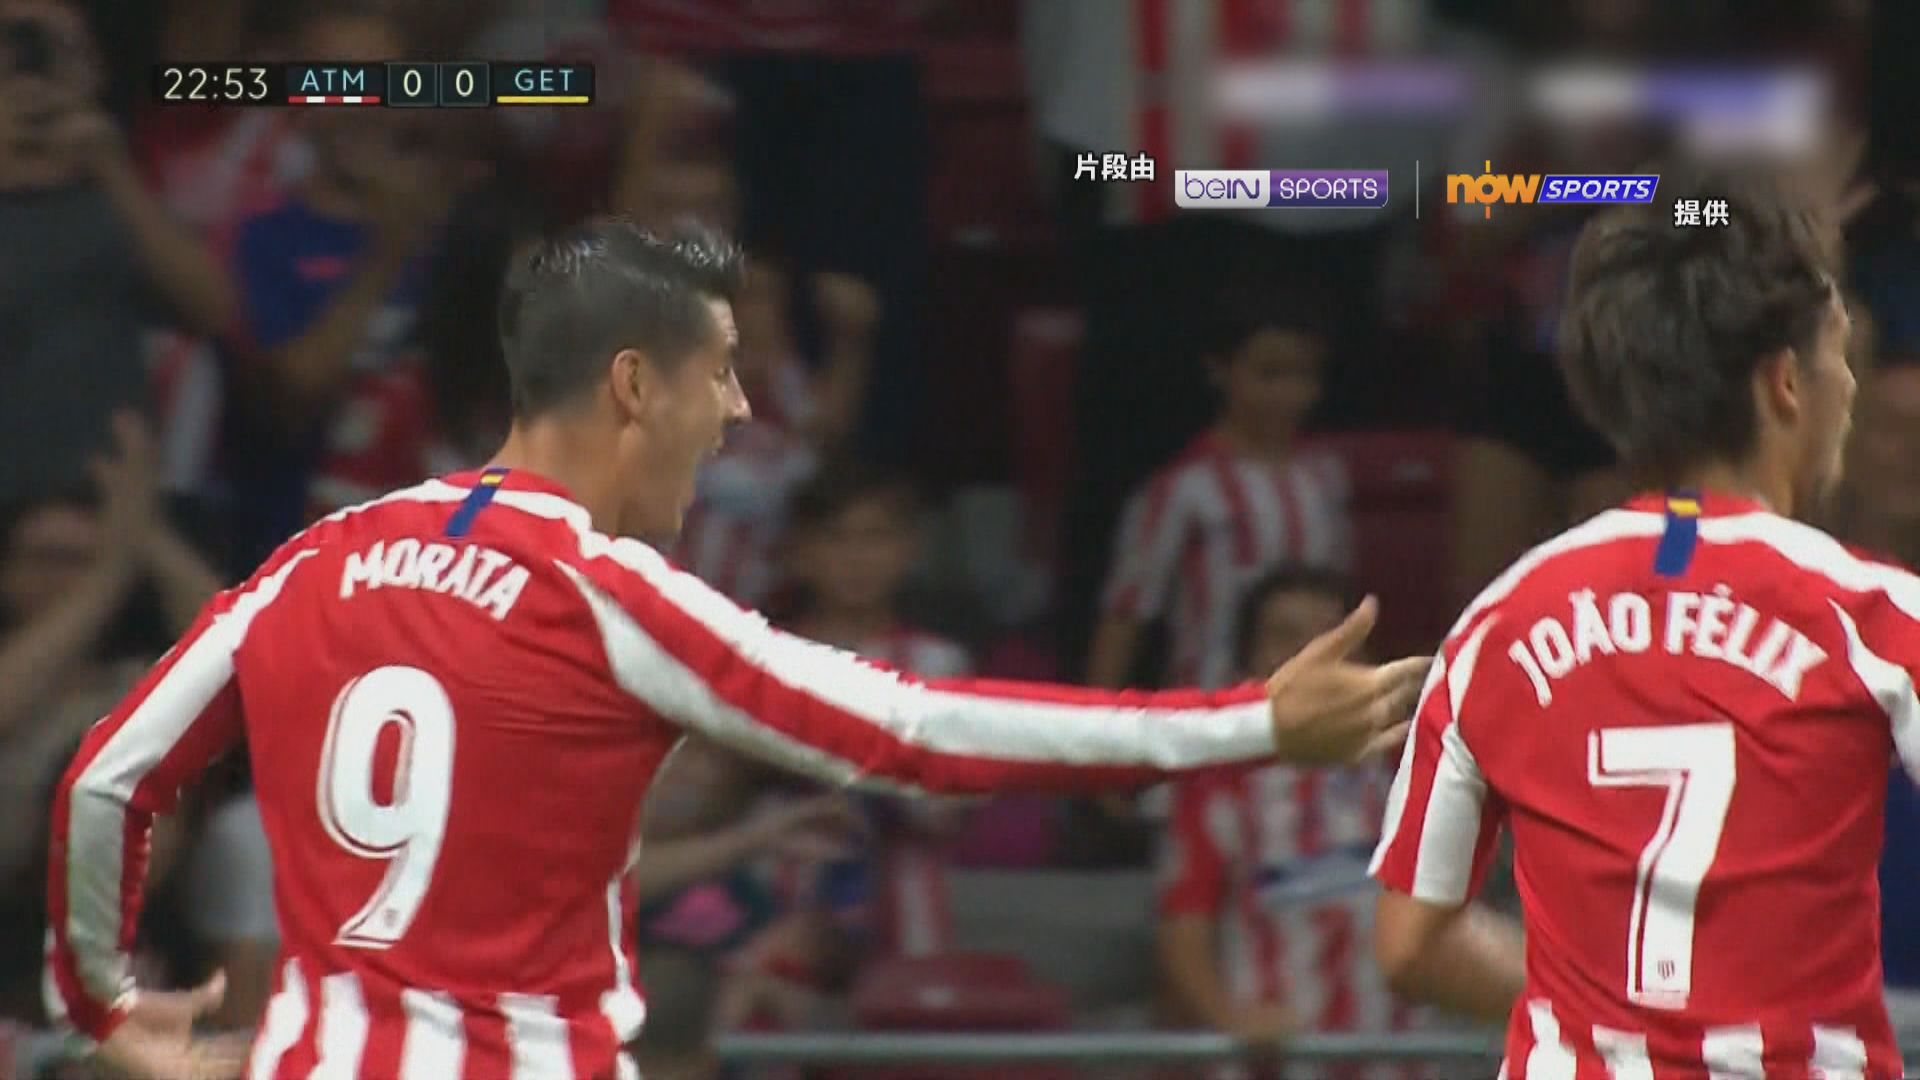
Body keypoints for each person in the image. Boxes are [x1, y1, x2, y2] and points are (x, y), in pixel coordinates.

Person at [44, 219, 1426, 1080]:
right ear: (633, 385)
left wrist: (105, 1005)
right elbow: (915, 730)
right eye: (719, 371)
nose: (742, 408)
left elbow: (106, 778)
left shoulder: (309, 563)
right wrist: (1252, 723)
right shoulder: (602, 595)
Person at [1369, 164, 1917, 1077]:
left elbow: (1410, 943)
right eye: (1841, 358)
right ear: (1787, 383)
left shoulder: (1494, 627)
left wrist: (1610, 1007)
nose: (1851, 390)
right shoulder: (1871, 616)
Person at [1157, 566, 1424, 1080]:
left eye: (1329, 635)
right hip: (1274, 1066)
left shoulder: (1408, 769)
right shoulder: (1218, 787)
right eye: (1285, 635)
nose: (1310, 653)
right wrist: (1229, 1018)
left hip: (1398, 1061)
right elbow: (1182, 928)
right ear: (1249, 661)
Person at [1088, 292, 1352, 694]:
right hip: (1207, 702)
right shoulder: (1182, 489)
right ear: (1219, 371)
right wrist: (1099, 713)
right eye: (1269, 374)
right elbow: (1126, 615)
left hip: (1316, 705)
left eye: (1304, 375)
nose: (1288, 394)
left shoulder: (1325, 479)